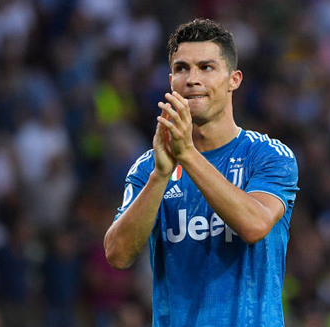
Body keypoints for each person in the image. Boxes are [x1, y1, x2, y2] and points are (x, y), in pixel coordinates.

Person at [104, 18, 299, 326]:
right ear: (171, 80)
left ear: (234, 79)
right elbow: (117, 254)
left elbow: (255, 224)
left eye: (206, 67)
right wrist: (159, 176)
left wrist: (188, 156)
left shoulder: (267, 156)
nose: (192, 79)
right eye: (182, 69)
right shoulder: (149, 167)